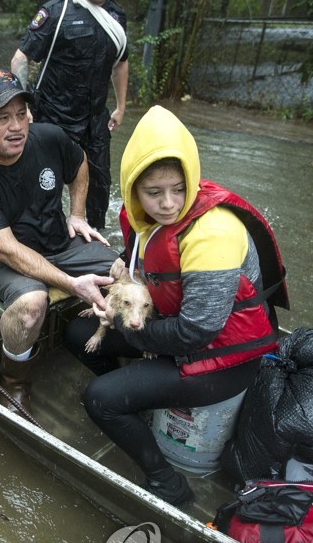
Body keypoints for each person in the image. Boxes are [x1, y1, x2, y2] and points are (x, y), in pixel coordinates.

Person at [64, 105, 289, 506]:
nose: (168, 203)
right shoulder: (143, 219)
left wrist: (120, 320)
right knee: (77, 332)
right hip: (171, 333)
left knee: (99, 398)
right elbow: (146, 263)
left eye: (178, 189)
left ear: (192, 180)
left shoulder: (213, 235)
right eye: (153, 193)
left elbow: (197, 332)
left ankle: (167, 481)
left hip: (222, 359)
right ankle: (140, 400)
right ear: (133, 189)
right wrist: (119, 270)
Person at [0, 69, 119, 415]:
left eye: (21, 114)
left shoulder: (49, 138)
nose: (17, 127)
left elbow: (80, 162)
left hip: (58, 242)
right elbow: (5, 249)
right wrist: (72, 284)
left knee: (124, 270)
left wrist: (78, 215)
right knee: (32, 304)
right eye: (2, 118)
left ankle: (107, 351)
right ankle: (14, 381)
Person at [11, 0, 129, 231]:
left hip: (94, 120)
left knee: (100, 184)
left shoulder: (117, 17)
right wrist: (23, 107)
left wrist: (122, 106)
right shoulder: (56, 12)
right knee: (45, 182)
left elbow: (121, 62)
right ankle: (45, 235)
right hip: (53, 117)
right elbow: (20, 58)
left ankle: (95, 236)